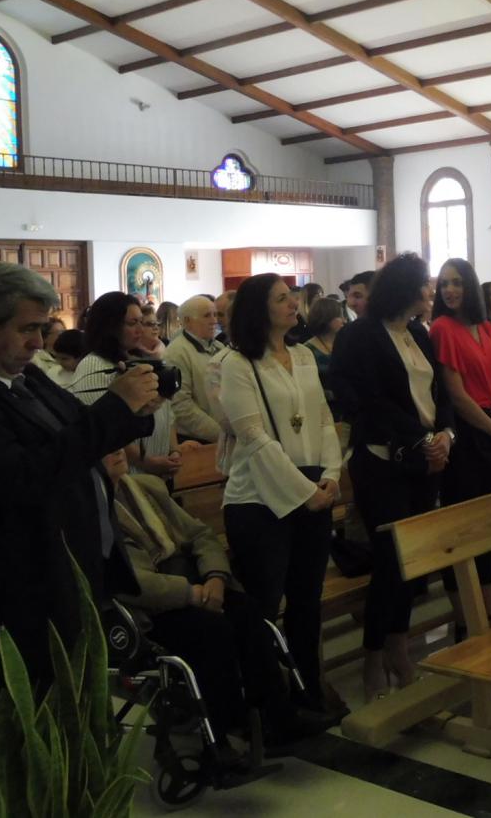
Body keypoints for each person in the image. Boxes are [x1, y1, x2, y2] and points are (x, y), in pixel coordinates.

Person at [0, 263, 158, 679]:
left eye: (42, 329)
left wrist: (136, 409)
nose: (39, 343)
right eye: (27, 329)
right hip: (28, 587)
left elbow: (78, 426)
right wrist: (115, 407)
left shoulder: (25, 374)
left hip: (73, 571)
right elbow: (23, 477)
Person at [106, 448, 334, 750]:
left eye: (117, 444)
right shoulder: (90, 514)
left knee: (248, 612)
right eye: (106, 449)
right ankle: (226, 729)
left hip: (195, 579)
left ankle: (278, 717)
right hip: (152, 606)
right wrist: (190, 594)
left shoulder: (146, 487)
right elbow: (127, 582)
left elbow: (200, 534)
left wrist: (215, 577)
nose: (117, 450)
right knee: (212, 630)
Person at [330, 256, 453, 700]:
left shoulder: (417, 333)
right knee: (389, 561)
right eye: (424, 285)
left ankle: (399, 649)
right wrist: (422, 437)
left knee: (411, 562)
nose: (430, 292)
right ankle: (373, 657)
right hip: (382, 462)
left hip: (422, 460)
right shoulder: (360, 335)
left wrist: (446, 433)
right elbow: (365, 400)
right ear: (406, 289)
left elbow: (439, 391)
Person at [220, 273, 344, 713]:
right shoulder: (238, 364)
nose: (293, 303)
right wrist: (304, 492)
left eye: (292, 296)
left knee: (307, 601)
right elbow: (252, 436)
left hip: (313, 486)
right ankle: (269, 705)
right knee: (264, 605)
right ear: (259, 310)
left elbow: (324, 419)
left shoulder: (303, 355)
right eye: (281, 299)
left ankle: (309, 689)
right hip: (258, 500)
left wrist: (331, 475)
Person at [429, 258, 491, 635]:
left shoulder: (485, 326)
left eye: (456, 283)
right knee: (467, 529)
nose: (450, 290)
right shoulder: (442, 328)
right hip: (469, 436)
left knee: (489, 528)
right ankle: (471, 619)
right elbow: (457, 396)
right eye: (444, 284)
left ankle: (488, 612)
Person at [70, 292, 184, 481]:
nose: (140, 329)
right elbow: (104, 425)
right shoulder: (94, 365)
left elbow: (167, 411)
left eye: (142, 322)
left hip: (159, 469)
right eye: (132, 323)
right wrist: (146, 462)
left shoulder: (140, 360)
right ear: (109, 326)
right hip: (129, 476)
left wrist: (174, 451)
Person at [163, 294, 225, 443]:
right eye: (207, 316)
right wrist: (221, 434)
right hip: (196, 440)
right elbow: (181, 406)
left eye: (215, 315)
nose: (214, 321)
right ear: (187, 321)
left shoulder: (219, 347)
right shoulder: (176, 353)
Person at [301, 296, 346, 422]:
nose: (344, 320)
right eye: (339, 316)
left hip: (346, 411)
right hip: (323, 413)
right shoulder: (307, 350)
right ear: (327, 319)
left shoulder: (345, 343)